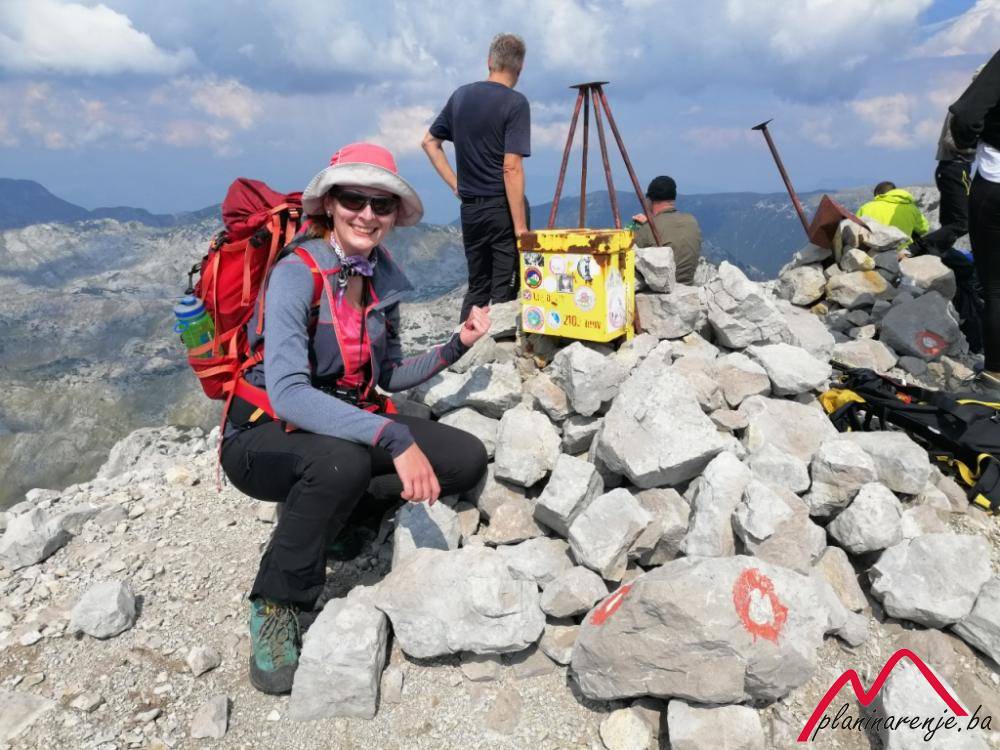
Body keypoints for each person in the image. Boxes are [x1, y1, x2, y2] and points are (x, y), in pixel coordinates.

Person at [220, 143, 490, 694]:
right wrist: (391, 436)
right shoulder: (297, 272)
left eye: (381, 204)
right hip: (259, 436)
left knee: (464, 460)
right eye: (353, 199)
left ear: (393, 215)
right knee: (342, 461)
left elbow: (386, 374)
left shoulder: (380, 278)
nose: (367, 214)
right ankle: (276, 603)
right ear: (329, 204)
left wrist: (456, 346)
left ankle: (339, 519)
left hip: (339, 425)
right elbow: (289, 394)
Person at [422, 33, 531, 322]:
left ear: (489, 61)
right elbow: (511, 167)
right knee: (504, 289)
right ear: (519, 69)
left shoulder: (460, 96)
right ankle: (497, 346)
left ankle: (462, 344)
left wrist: (456, 184)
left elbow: (429, 142)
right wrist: (520, 228)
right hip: (501, 208)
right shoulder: (515, 103)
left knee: (478, 286)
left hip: (470, 209)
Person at [951, 48, 1000, 385]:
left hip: (996, 181)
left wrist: (968, 143)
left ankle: (996, 373)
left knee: (995, 286)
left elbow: (967, 114)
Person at [921, 69, 982, 253]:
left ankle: (935, 255)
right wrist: (980, 146)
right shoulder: (967, 108)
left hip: (950, 168)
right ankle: (917, 248)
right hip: (956, 167)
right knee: (962, 223)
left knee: (950, 223)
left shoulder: (965, 105)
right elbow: (951, 141)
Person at [631, 175, 702, 284]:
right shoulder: (692, 221)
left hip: (662, 287)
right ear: (673, 198)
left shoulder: (646, 229)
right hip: (687, 285)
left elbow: (629, 254)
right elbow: (668, 231)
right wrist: (648, 223)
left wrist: (641, 228)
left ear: (649, 200)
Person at [856, 181, 930, 249]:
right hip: (903, 252)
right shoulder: (912, 208)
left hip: (873, 251)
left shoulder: (865, 207)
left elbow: (855, 230)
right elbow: (924, 229)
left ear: (877, 194)